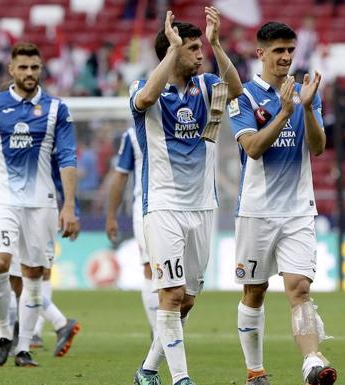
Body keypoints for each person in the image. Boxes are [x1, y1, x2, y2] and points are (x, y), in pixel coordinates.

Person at [130, 8, 242, 385]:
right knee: (172, 293)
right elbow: (145, 98)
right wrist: (170, 52)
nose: (200, 54)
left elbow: (238, 92)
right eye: (193, 48)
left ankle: (147, 369)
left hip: (202, 206)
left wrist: (216, 43)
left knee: (187, 299)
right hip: (162, 205)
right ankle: (181, 378)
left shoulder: (209, 85)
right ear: (173, 52)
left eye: (200, 48)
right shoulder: (143, 88)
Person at [228, 22, 337, 385]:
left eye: (290, 50)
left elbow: (318, 147)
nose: (286, 57)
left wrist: (306, 108)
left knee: (299, 288)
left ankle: (312, 361)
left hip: (298, 209)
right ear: (261, 53)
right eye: (278, 51)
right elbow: (254, 149)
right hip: (256, 211)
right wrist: (285, 112)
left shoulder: (307, 92)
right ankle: (255, 371)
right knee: (254, 291)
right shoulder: (242, 96)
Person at [0, 42, 79, 368]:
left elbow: (68, 158)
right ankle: (4, 334)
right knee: (0, 264)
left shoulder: (57, 109)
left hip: (42, 202)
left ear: (41, 69)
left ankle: (23, 349)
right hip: (2, 199)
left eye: (35, 67)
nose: (29, 73)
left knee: (33, 275)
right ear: (11, 70)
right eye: (24, 67)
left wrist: (69, 205)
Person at [105, 126, 158, 335]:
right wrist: (111, 215)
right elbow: (121, 176)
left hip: (182, 207)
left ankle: (167, 326)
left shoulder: (181, 123)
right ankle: (158, 330)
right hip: (145, 207)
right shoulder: (133, 135)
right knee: (150, 266)